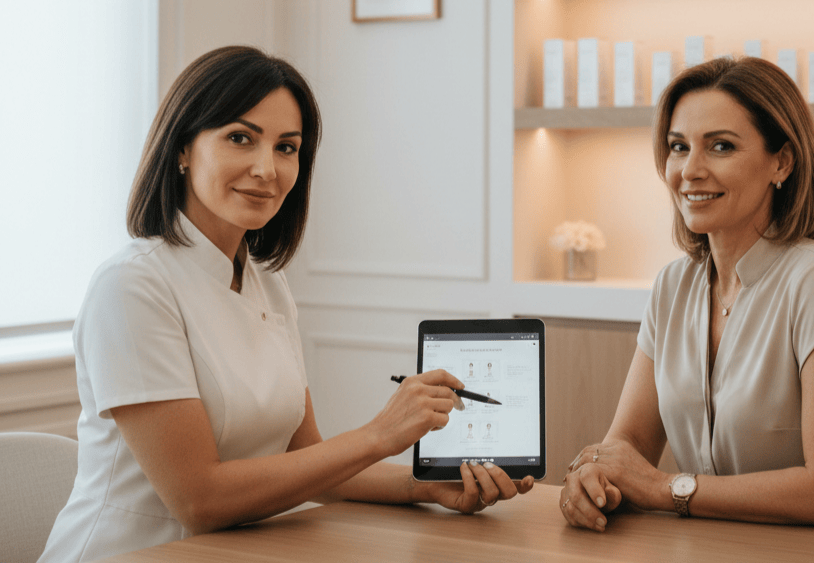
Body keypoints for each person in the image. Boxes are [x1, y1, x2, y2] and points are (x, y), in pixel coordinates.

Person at [40, 46, 531, 563]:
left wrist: (426, 488)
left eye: (286, 148)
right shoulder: (131, 287)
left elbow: (307, 460)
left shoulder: (266, 283)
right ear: (182, 148)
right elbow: (199, 500)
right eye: (239, 138)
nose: (266, 168)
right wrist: (379, 434)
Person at [559, 56, 814, 532]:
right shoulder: (672, 286)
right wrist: (595, 478)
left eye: (720, 146)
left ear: (782, 161)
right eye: (678, 147)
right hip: (720, 544)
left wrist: (662, 488)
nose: (690, 170)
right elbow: (627, 444)